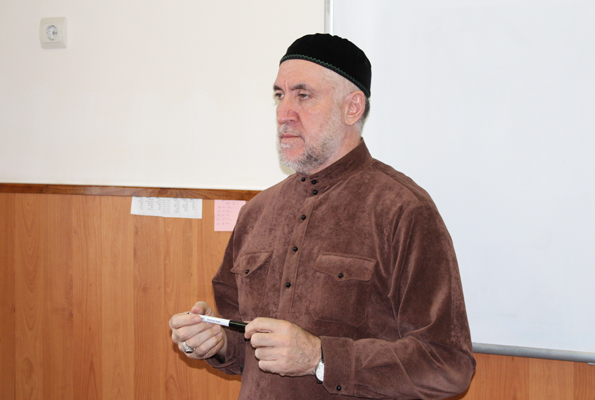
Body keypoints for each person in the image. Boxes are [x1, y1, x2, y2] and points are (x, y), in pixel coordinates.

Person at [169, 33, 476, 399]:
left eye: (303, 95)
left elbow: (447, 365)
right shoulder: (256, 212)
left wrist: (320, 357)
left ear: (352, 107)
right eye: (279, 95)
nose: (283, 113)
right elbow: (246, 347)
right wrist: (217, 341)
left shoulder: (403, 210)